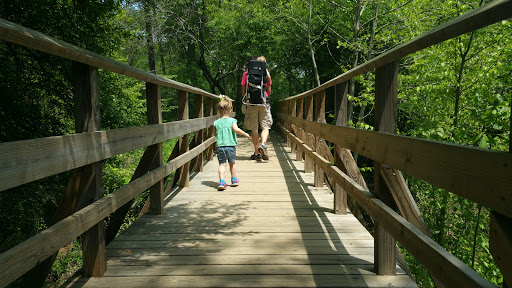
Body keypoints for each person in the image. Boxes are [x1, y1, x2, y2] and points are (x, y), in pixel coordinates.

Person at [213, 96, 251, 190]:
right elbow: (236, 129)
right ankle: (234, 179)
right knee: (232, 163)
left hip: (220, 147)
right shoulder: (232, 121)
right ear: (230, 110)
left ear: (218, 111)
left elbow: (214, 134)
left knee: (222, 164)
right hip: (231, 146)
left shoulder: (216, 122)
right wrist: (245, 133)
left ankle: (221, 181)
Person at [241, 56, 273, 161]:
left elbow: (243, 91)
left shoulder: (247, 74)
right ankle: (263, 145)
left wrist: (248, 98)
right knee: (265, 127)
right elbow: (269, 91)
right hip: (264, 102)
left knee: (254, 128)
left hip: (252, 102)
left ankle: (256, 152)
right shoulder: (266, 73)